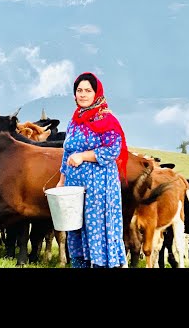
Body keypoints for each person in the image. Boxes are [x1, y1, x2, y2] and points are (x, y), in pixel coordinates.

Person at [55, 71, 128, 268]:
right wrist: (62, 181)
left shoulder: (106, 119)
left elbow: (114, 149)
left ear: (97, 93)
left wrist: (84, 156)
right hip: (74, 186)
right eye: (79, 90)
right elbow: (68, 151)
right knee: (76, 227)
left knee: (96, 227)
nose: (83, 94)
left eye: (88, 90)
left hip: (100, 187)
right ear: (74, 94)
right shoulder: (75, 119)